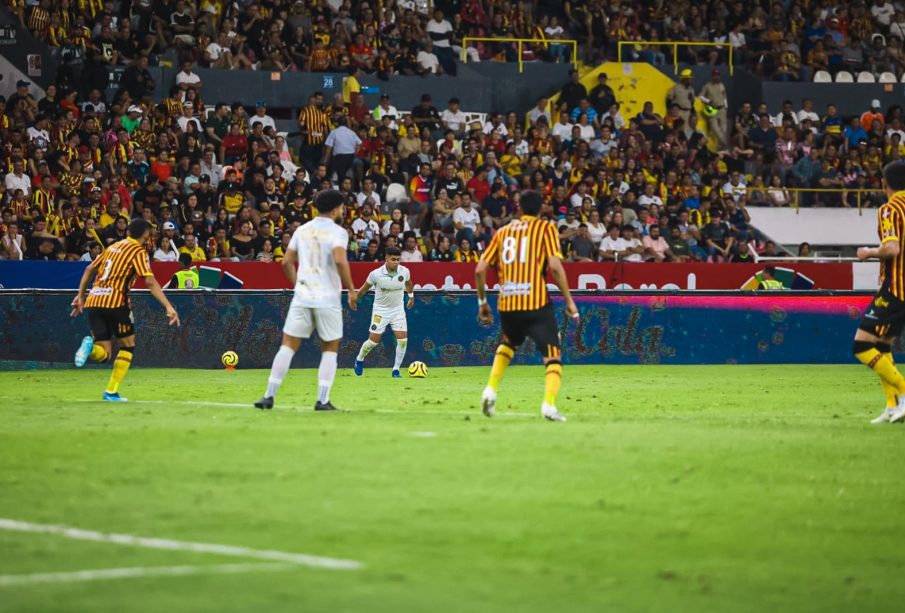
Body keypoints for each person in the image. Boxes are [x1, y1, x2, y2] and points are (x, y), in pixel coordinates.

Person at [475, 190, 579, 422]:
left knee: (510, 342)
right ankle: (549, 405)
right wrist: (569, 301)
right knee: (552, 354)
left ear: (519, 208)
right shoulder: (546, 229)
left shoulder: (502, 232)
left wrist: (483, 302)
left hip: (508, 302)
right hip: (536, 302)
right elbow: (554, 267)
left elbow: (480, 269)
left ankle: (490, 389)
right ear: (541, 209)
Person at [255, 190, 358, 411]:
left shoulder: (302, 230)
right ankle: (322, 400)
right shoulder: (338, 232)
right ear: (334, 209)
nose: (343, 210)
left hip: (303, 296)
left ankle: (268, 396)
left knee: (288, 345)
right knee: (330, 347)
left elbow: (286, 262)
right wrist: (351, 288)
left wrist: (298, 285)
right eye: (341, 207)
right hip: (327, 297)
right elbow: (340, 260)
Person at [71, 219, 180, 401]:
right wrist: (168, 306)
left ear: (129, 231)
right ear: (146, 235)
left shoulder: (112, 247)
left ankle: (89, 347)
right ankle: (111, 392)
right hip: (116, 302)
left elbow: (89, 269)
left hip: (95, 300)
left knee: (104, 354)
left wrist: (80, 295)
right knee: (128, 346)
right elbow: (150, 281)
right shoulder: (138, 251)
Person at [854, 161, 905, 424]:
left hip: (895, 289)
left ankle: (904, 391)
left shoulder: (889, 209)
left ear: (885, 183)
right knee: (883, 346)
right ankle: (892, 405)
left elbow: (892, 249)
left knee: (862, 345)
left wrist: (868, 252)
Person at [353, 246, 415, 379]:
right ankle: (359, 358)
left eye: (398, 260)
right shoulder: (376, 274)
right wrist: (354, 300)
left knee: (403, 340)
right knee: (373, 341)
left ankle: (396, 370)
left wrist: (411, 296)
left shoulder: (404, 271)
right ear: (386, 258)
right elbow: (364, 289)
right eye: (393, 259)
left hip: (398, 310)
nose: (396, 262)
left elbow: (409, 283)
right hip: (380, 311)